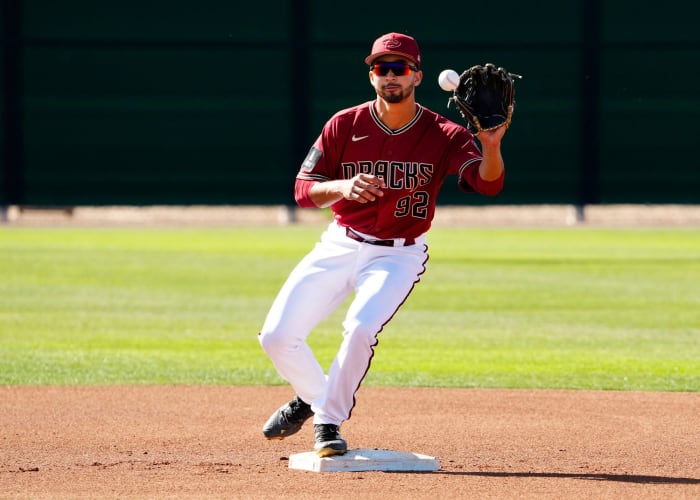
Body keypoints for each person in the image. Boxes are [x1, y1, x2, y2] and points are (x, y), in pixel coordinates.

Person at [258, 32, 506, 457]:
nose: (390, 76)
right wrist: (342, 186)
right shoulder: (345, 123)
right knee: (276, 338)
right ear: (371, 74)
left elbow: (487, 182)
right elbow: (303, 189)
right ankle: (314, 396)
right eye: (381, 68)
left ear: (417, 76)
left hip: (397, 254)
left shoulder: (442, 132)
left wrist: (491, 145)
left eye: (400, 68)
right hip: (339, 242)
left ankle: (327, 422)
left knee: (360, 327)